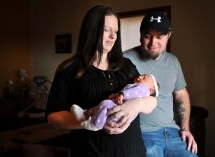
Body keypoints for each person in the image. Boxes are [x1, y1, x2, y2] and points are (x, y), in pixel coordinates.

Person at [46, 5, 157, 157]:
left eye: (116, 31)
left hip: (133, 152)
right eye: (106, 30)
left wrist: (136, 105)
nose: (113, 36)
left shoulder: (127, 66)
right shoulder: (70, 70)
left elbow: (152, 100)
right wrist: (93, 121)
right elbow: (53, 117)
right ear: (91, 31)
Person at [123, 11, 198, 157]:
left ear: (169, 36)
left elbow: (181, 95)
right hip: (143, 133)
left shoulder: (173, 61)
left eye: (159, 37)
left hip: (173, 132)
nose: (153, 43)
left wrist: (185, 129)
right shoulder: (124, 60)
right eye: (147, 36)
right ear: (140, 35)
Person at [71, 73, 159, 131]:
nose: (140, 77)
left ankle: (95, 125)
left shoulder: (142, 88)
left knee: (104, 104)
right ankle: (86, 114)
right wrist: (115, 95)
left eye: (144, 78)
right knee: (100, 107)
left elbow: (130, 93)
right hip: (118, 109)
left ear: (150, 90)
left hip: (119, 111)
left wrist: (122, 94)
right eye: (142, 75)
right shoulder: (138, 87)